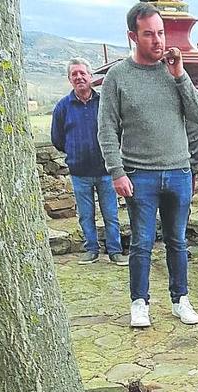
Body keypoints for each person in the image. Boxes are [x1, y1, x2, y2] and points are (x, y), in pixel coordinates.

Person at [98, 2, 198, 328]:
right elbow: (106, 128)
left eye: (161, 33)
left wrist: (180, 76)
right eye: (149, 34)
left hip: (178, 171)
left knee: (178, 241)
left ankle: (181, 299)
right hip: (138, 174)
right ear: (133, 35)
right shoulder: (118, 76)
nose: (158, 40)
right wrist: (116, 172)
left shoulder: (174, 72)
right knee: (142, 242)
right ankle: (139, 303)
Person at [51, 57, 128, 267]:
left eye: (82, 73)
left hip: (105, 171)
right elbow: (57, 139)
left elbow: (117, 130)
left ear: (90, 77)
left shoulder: (104, 102)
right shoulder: (62, 107)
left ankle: (115, 251)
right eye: (74, 74)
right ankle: (91, 250)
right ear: (69, 79)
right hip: (79, 172)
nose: (79, 77)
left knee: (111, 214)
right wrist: (75, 152)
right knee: (86, 216)